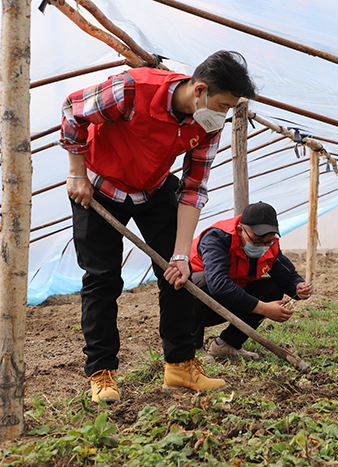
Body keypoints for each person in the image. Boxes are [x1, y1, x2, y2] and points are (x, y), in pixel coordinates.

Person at [61, 50, 257, 403]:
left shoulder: (206, 124)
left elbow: (194, 188)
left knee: (176, 273)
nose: (224, 115)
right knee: (102, 279)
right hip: (100, 186)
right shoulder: (132, 90)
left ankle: (180, 365)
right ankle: (102, 372)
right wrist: (76, 173)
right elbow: (72, 110)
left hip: (153, 189)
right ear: (200, 91)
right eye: (224, 105)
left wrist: (182, 254)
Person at [190, 202, 313, 360]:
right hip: (195, 306)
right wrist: (263, 308)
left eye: (268, 241)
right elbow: (219, 286)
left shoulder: (270, 245)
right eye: (257, 240)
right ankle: (192, 349)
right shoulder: (217, 238)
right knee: (202, 282)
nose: (262, 245)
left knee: (272, 289)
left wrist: (298, 286)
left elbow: (286, 276)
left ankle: (227, 345)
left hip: (232, 300)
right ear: (241, 230)